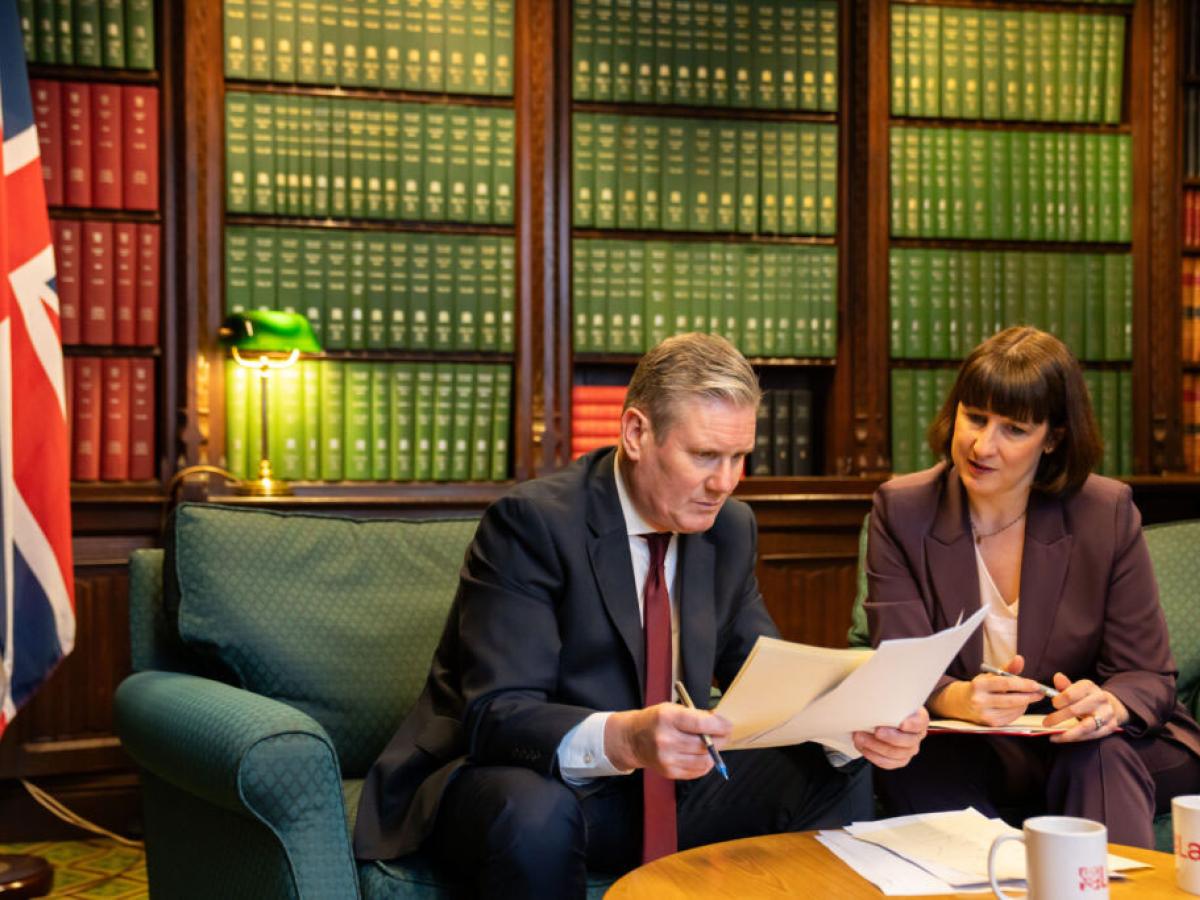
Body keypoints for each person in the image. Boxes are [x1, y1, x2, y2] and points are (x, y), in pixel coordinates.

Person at [354, 332, 929, 898]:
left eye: (738, 458)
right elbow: (497, 713)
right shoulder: (532, 524)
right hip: (529, 782)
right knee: (534, 813)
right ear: (636, 432)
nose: (724, 483)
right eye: (704, 455)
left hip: (656, 790)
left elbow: (764, 676)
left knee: (836, 764)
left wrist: (850, 724)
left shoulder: (729, 529)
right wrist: (627, 739)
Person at [866, 325, 1200, 848]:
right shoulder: (902, 510)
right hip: (971, 746)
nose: (982, 445)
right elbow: (900, 665)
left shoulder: (1105, 512)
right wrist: (959, 698)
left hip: (1096, 746)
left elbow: (1146, 673)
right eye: (974, 418)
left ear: (1054, 438)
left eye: (1014, 429)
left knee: (1097, 754)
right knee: (914, 763)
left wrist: (1107, 705)